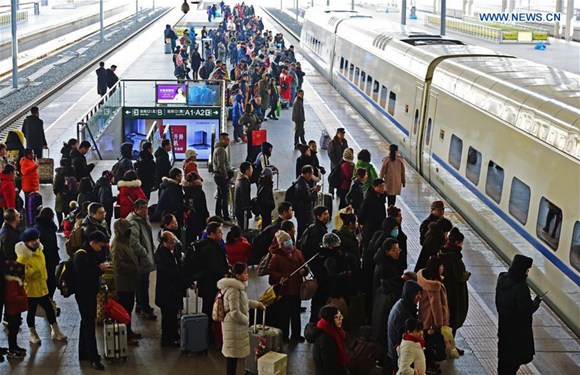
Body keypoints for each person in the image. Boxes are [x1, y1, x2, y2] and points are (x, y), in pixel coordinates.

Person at [15, 228, 67, 345]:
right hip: (31, 290)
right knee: (31, 311)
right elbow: (24, 276)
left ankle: (56, 331)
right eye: (33, 240)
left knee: (49, 309)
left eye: (37, 239)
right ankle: (32, 333)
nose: (36, 242)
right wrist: (34, 272)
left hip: (42, 286)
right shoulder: (22, 258)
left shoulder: (39, 251)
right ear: (27, 242)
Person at [496, 254, 542, 375]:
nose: (527, 272)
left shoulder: (502, 278)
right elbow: (525, 309)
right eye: (527, 270)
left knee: (503, 360)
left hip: (504, 326)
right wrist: (536, 302)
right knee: (513, 362)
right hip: (517, 331)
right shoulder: (521, 287)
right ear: (522, 269)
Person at [218, 262, 264, 375]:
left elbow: (244, 303)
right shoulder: (234, 290)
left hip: (235, 326)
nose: (247, 275)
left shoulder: (238, 287)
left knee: (234, 355)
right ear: (238, 275)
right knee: (232, 357)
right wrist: (246, 320)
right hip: (233, 327)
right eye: (245, 273)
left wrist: (257, 304)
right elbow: (235, 312)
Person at [74, 231, 109, 370]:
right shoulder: (81, 255)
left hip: (89, 293)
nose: (100, 248)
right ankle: (93, 357)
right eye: (99, 246)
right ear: (92, 242)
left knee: (86, 322)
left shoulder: (91, 253)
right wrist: (99, 268)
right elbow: (83, 275)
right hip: (84, 294)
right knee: (89, 325)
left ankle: (83, 353)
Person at [268, 230, 306, 342]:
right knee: (284, 315)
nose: (288, 242)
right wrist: (280, 277)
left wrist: (304, 271)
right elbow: (271, 270)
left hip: (296, 289)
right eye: (285, 241)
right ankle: (284, 335)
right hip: (284, 290)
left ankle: (296, 335)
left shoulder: (298, 253)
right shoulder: (276, 256)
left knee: (295, 314)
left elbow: (304, 265)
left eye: (289, 239)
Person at [155, 231, 190, 347]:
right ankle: (167, 340)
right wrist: (186, 282)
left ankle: (174, 336)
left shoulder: (174, 250)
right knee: (168, 317)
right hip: (167, 291)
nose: (173, 244)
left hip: (174, 290)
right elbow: (173, 273)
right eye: (171, 242)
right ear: (163, 242)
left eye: (174, 240)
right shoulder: (162, 256)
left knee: (174, 314)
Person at [195, 222, 229, 342]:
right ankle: (208, 335)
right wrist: (224, 273)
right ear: (212, 234)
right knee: (209, 309)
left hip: (209, 284)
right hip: (209, 284)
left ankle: (209, 333)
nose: (222, 234)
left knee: (209, 308)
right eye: (220, 232)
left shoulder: (211, 245)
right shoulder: (209, 248)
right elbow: (212, 266)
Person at [111, 218, 141, 345]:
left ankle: (128, 331)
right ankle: (126, 335)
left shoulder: (125, 241)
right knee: (124, 310)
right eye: (127, 228)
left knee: (128, 308)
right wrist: (134, 268)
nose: (130, 230)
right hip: (124, 283)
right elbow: (119, 265)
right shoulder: (117, 245)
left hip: (130, 282)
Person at [126, 199, 157, 320]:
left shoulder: (142, 219)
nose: (145, 210)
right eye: (142, 208)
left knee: (142, 284)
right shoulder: (134, 222)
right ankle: (145, 308)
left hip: (144, 257)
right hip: (140, 260)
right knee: (142, 285)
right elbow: (133, 243)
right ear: (136, 209)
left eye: (146, 207)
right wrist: (145, 252)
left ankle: (140, 304)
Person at [438, 228, 469, 344]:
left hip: (446, 290)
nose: (462, 245)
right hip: (455, 293)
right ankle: (450, 346)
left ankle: (446, 344)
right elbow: (460, 275)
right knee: (454, 319)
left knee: (447, 319)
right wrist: (467, 274)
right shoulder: (454, 258)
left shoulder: (442, 252)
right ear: (457, 242)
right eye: (461, 243)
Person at [387, 280, 423, 374]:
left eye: (420, 293)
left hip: (396, 351)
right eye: (417, 294)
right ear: (410, 294)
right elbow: (404, 339)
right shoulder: (403, 314)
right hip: (399, 355)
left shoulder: (404, 304)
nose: (419, 297)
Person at [417, 257, 449, 356]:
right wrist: (439, 323)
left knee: (426, 341)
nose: (443, 268)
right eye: (441, 266)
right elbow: (436, 306)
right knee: (431, 344)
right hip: (431, 320)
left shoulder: (424, 279)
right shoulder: (434, 286)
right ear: (436, 268)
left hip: (424, 315)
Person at [304, 304, 348, 375]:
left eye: (340, 316)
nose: (341, 319)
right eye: (337, 317)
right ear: (330, 319)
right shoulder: (325, 339)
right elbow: (329, 366)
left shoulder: (331, 331)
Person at [3, 260, 28, 359]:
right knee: (12, 331)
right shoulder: (12, 283)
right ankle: (12, 351)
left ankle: (15, 347)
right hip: (13, 310)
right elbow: (10, 297)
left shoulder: (15, 282)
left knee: (15, 330)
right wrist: (23, 297)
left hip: (16, 310)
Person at [34, 208, 60, 300]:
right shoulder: (50, 229)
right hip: (49, 259)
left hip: (42, 259)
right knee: (51, 281)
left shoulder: (36, 228)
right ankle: (48, 302)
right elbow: (52, 245)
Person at [293, 165, 321, 238]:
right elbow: (308, 198)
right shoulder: (303, 184)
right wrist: (315, 191)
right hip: (304, 211)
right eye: (311, 174)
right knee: (304, 231)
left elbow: (305, 194)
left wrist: (312, 189)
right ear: (307, 174)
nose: (312, 176)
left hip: (300, 210)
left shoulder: (300, 181)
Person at [213, 133, 234, 221]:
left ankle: (218, 214)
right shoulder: (221, 149)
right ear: (221, 140)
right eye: (226, 140)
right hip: (221, 176)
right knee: (224, 196)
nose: (228, 142)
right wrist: (225, 176)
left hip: (218, 176)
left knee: (220, 196)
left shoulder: (217, 148)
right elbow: (221, 165)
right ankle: (225, 216)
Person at [183, 172, 209, 244]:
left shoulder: (186, 191)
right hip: (200, 218)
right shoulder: (199, 192)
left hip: (189, 218)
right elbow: (203, 206)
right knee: (202, 239)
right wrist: (207, 216)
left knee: (190, 238)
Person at [53, 158, 77, 228]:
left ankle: (61, 227)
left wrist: (58, 193)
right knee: (68, 212)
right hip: (71, 196)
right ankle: (68, 227)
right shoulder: (72, 172)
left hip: (61, 196)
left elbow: (55, 187)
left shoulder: (59, 174)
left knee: (59, 212)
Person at [327, 128, 349, 196]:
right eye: (341, 133)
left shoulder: (345, 141)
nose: (342, 135)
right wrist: (337, 163)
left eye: (343, 134)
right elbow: (331, 154)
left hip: (343, 163)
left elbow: (347, 151)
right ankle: (331, 192)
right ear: (337, 134)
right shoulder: (332, 142)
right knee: (333, 177)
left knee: (341, 178)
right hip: (335, 164)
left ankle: (338, 192)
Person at [387, 205, 409, 272]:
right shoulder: (394, 231)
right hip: (397, 264)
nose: (401, 218)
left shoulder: (398, 228)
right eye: (399, 216)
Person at [234, 162, 252, 230]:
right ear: (247, 171)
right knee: (243, 228)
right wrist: (247, 209)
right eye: (251, 169)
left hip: (238, 209)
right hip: (242, 211)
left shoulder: (239, 180)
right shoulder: (244, 182)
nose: (252, 171)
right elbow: (245, 198)